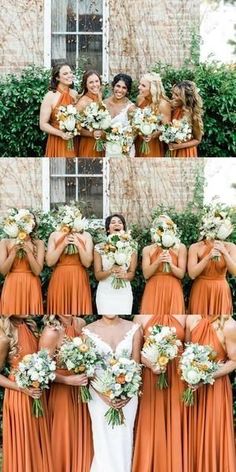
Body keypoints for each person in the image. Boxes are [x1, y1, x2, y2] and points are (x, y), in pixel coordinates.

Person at [83, 314, 142, 472]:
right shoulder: (87, 331)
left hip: (128, 394)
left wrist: (127, 394)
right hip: (98, 394)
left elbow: (136, 366)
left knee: (124, 437)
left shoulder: (134, 329)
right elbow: (89, 369)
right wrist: (103, 395)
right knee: (102, 438)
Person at [132, 313, 187, 472]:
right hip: (152, 376)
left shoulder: (184, 317)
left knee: (175, 417)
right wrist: (152, 365)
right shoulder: (140, 318)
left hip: (177, 377)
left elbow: (187, 347)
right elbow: (137, 352)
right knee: (151, 420)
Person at [39, 315, 93, 472]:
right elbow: (42, 369)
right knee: (64, 437)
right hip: (62, 392)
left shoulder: (81, 323)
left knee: (82, 437)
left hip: (82, 391)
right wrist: (67, 381)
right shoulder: (51, 331)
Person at [0, 315, 53, 472]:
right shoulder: (4, 335)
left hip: (37, 391)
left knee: (39, 441)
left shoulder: (30, 326)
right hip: (19, 396)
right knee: (25, 442)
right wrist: (22, 388)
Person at [184, 314, 236, 471]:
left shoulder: (230, 325)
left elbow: (234, 361)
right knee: (192, 434)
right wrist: (189, 373)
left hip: (217, 388)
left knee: (214, 434)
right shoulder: (191, 319)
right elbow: (186, 351)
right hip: (193, 389)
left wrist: (205, 376)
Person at [140, 215, 186, 315]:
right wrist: (158, 261)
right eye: (161, 226)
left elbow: (181, 274)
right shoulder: (147, 249)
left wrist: (171, 264)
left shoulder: (180, 247)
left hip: (173, 289)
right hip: (153, 289)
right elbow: (146, 274)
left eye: (167, 226)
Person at [46, 217, 93, 315]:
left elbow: (87, 263)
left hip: (78, 278)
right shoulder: (54, 235)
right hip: (60, 278)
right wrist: (63, 244)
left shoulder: (86, 235)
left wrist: (78, 244)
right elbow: (50, 262)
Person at [0, 214, 44, 316]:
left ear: (33, 225)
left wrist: (29, 252)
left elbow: (37, 271)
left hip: (31, 284)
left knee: (31, 318)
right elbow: (3, 271)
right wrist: (12, 253)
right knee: (11, 318)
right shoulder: (5, 242)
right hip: (12, 284)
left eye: (30, 221)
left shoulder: (38, 243)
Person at [94, 214, 137, 315]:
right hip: (105, 291)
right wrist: (110, 270)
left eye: (120, 222)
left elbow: (131, 273)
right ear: (108, 229)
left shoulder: (132, 247)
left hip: (124, 291)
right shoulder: (99, 248)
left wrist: (125, 275)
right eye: (113, 222)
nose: (117, 224)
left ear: (123, 228)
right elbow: (98, 275)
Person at [188, 237, 236, 316]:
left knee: (219, 324)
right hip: (201, 290)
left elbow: (234, 272)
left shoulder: (231, 247)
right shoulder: (195, 247)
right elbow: (192, 274)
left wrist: (224, 252)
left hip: (220, 291)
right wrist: (208, 257)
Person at [40, 62, 78, 157]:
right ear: (57, 78)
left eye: (70, 72)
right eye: (65, 74)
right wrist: (61, 134)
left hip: (74, 140)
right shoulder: (50, 96)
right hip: (57, 140)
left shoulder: (75, 94)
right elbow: (43, 124)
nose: (70, 75)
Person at [135, 73, 171, 157]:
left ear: (152, 89)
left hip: (153, 143)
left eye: (143, 85)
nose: (139, 87)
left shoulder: (163, 104)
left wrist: (153, 135)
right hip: (139, 140)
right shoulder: (139, 98)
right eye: (140, 84)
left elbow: (166, 127)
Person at [169, 80, 204, 157]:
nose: (172, 96)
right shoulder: (171, 107)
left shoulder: (194, 115)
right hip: (170, 150)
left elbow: (197, 140)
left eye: (176, 95)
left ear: (185, 98)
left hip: (185, 152)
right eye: (173, 93)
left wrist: (178, 146)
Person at [104, 73, 136, 157]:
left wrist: (125, 146)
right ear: (113, 86)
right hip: (105, 148)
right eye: (118, 86)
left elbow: (134, 133)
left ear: (128, 91)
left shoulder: (131, 108)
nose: (120, 90)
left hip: (123, 150)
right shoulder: (104, 104)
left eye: (124, 88)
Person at [76, 70, 104, 158]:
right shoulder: (83, 102)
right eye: (91, 82)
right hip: (88, 143)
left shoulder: (99, 95)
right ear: (86, 85)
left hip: (100, 142)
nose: (95, 85)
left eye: (96, 81)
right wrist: (91, 134)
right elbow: (75, 128)